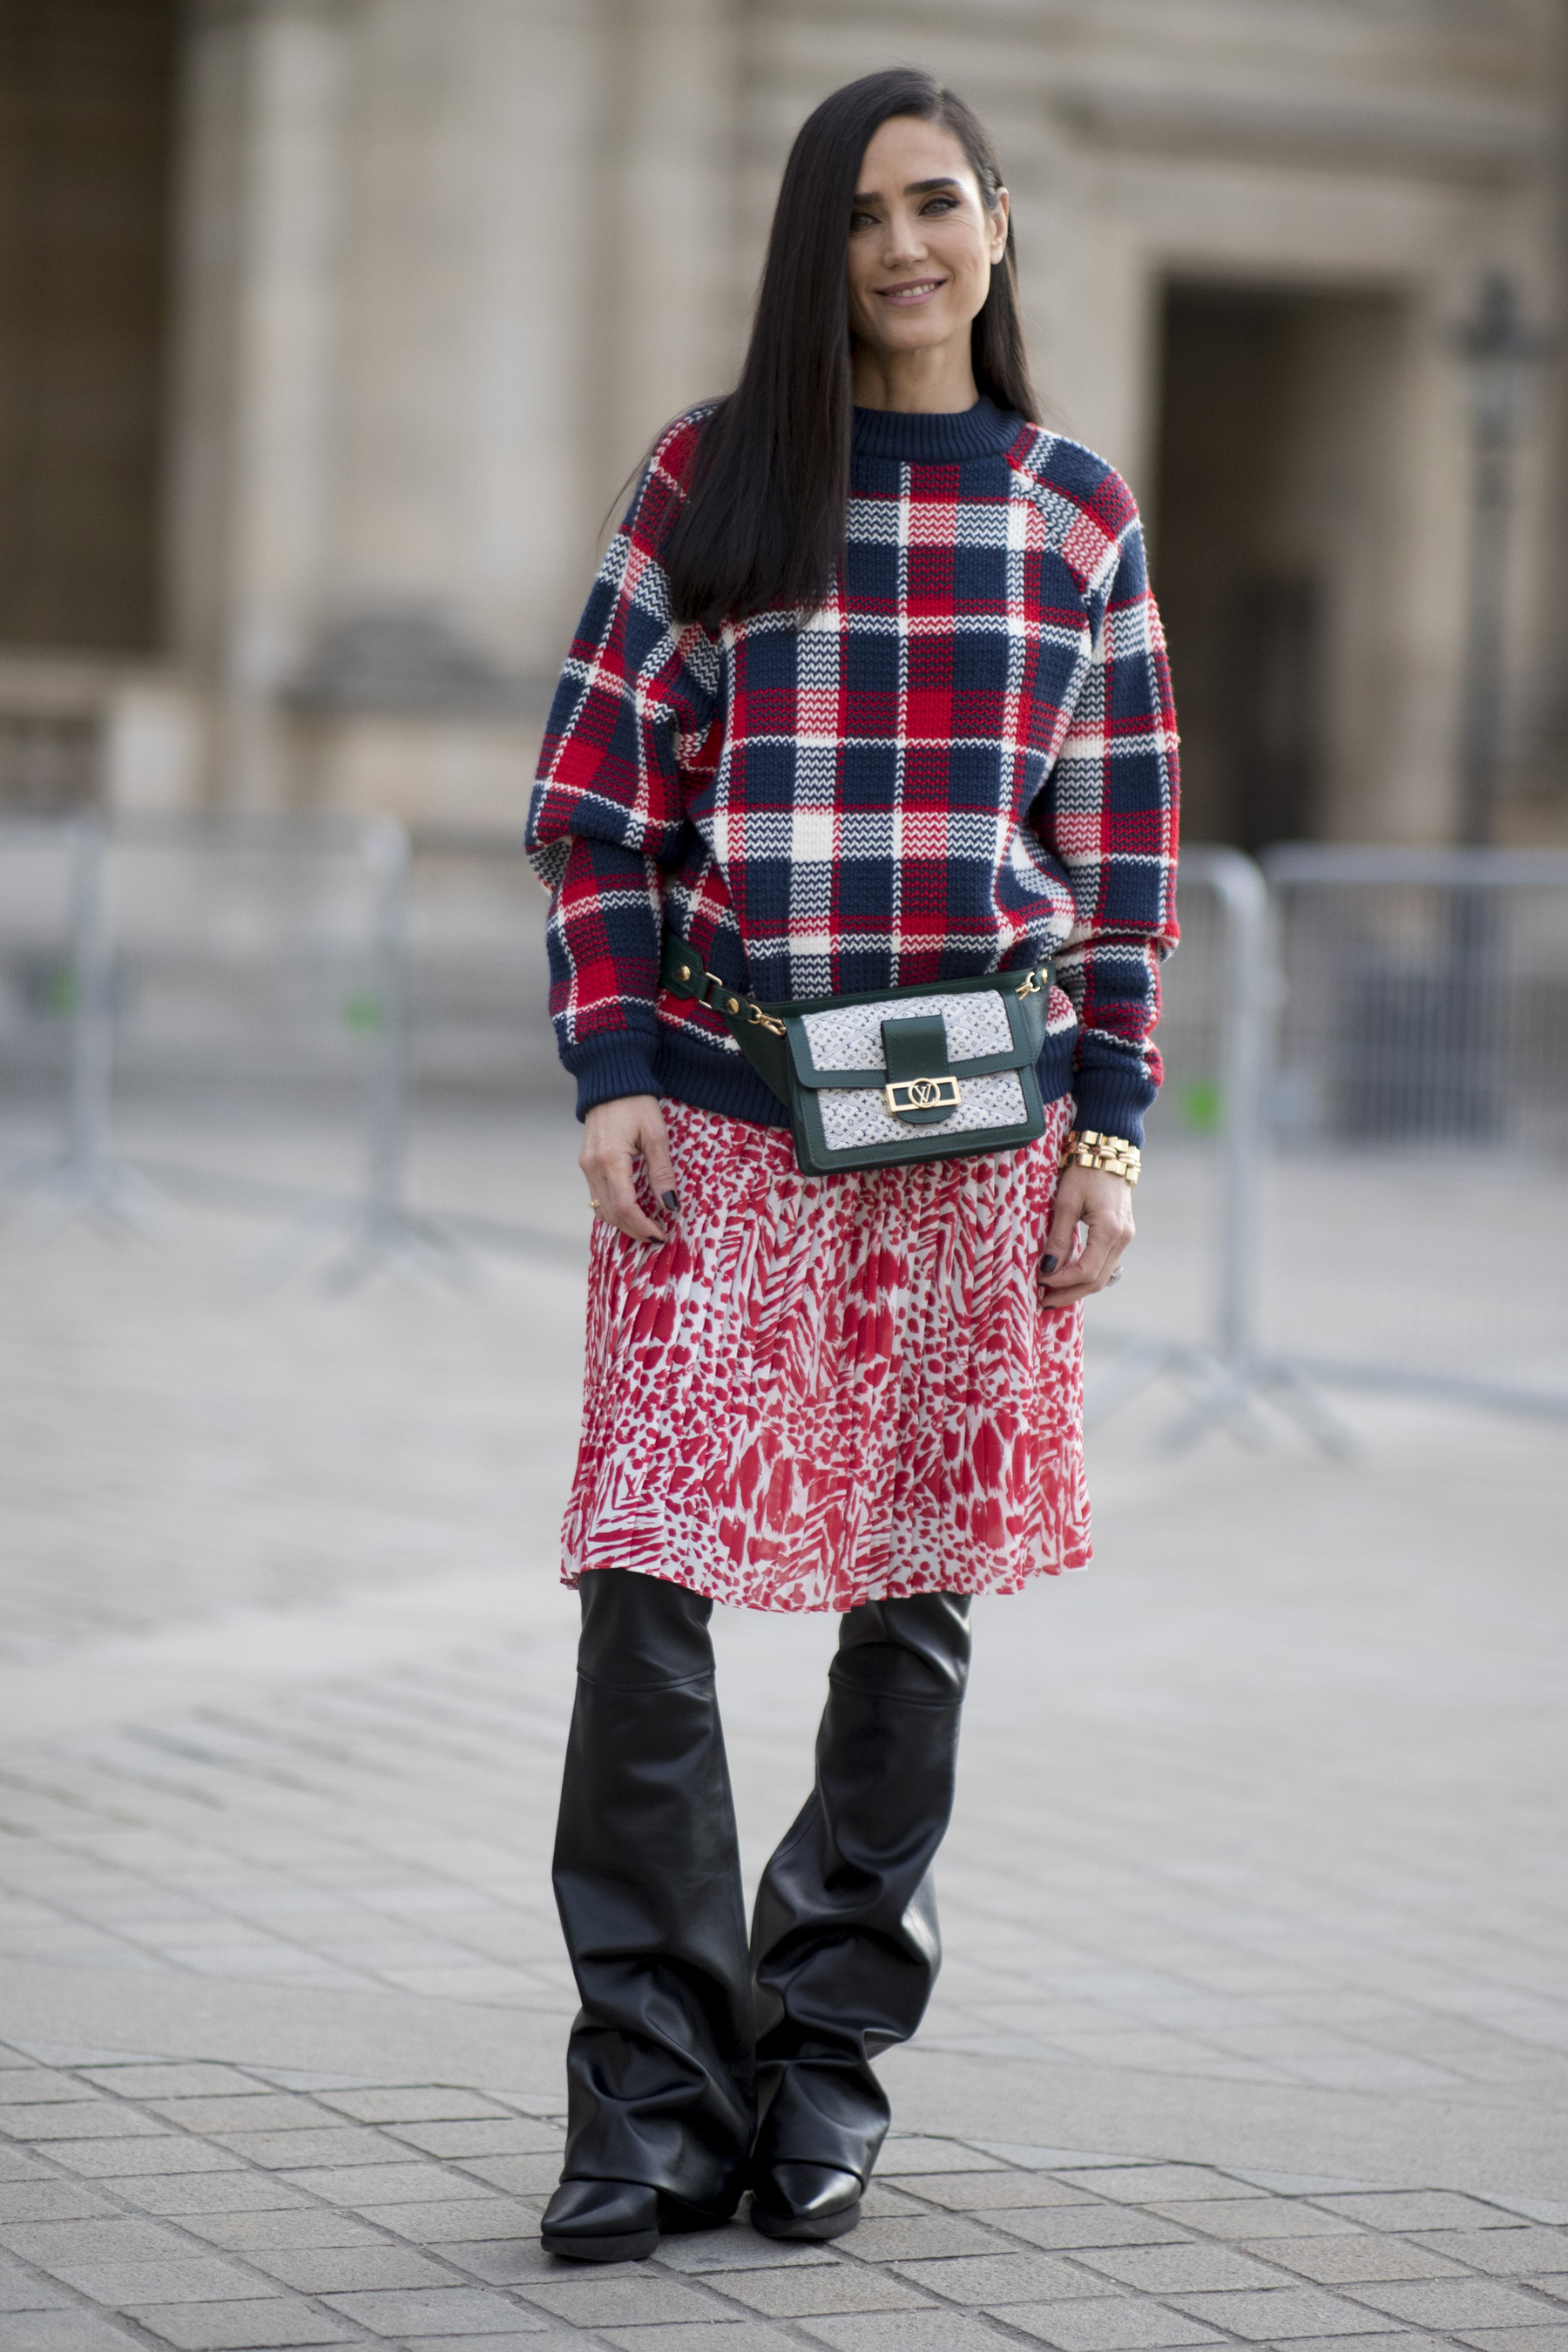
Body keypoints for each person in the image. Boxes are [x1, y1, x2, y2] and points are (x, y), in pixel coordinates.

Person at [525, 65, 1179, 2265]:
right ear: (815, 250)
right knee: (648, 1581)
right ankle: (649, 2086)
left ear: (998, 223)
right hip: (721, 1116)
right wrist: (610, 1065)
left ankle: (820, 2067)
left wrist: (1114, 1133)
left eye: (935, 204)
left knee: (914, 1609)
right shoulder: (712, 480)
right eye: (858, 217)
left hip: (979, 1147)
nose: (901, 247)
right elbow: (596, 805)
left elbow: (1129, 868)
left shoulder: (1077, 513)